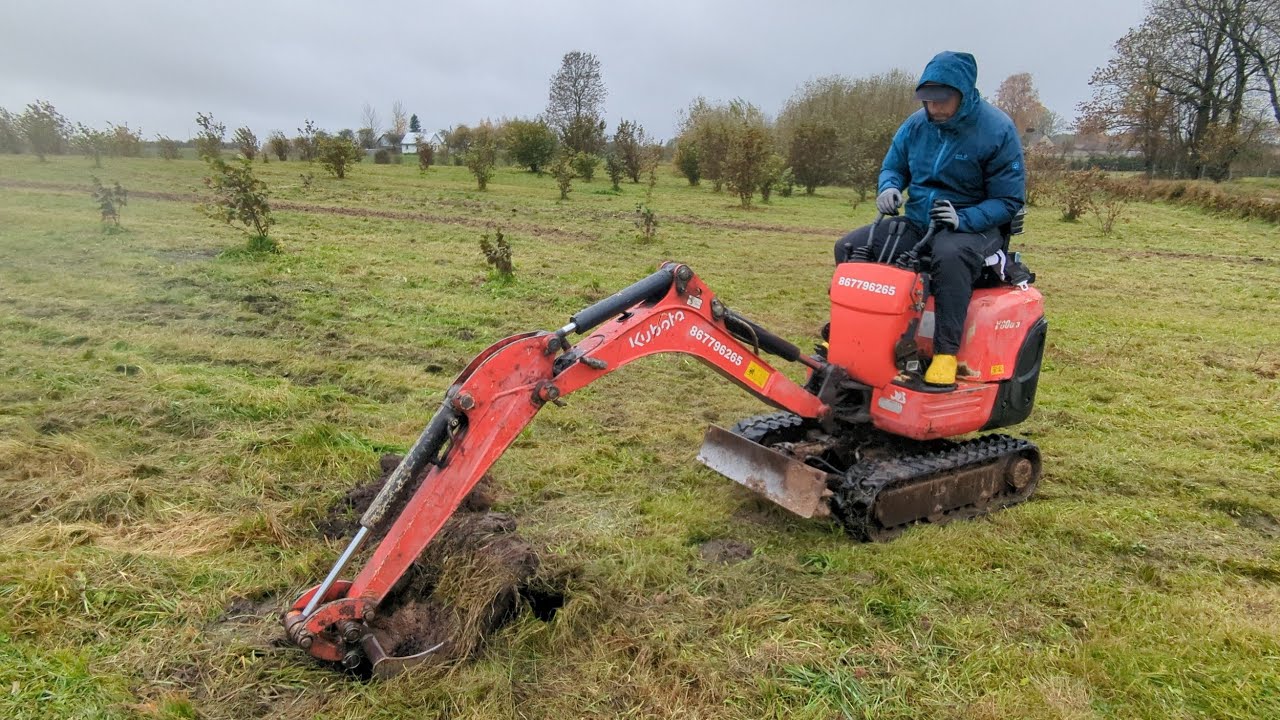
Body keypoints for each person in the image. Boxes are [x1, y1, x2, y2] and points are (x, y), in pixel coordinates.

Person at [834, 51, 1025, 386]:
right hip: (921, 221)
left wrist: (963, 218)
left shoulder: (997, 130)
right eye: (928, 101)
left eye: (942, 101)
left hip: (975, 227)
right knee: (850, 247)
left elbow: (1008, 200)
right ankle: (855, 336)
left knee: (949, 255)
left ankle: (945, 355)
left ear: (963, 95)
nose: (934, 108)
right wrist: (889, 187)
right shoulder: (915, 126)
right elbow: (894, 167)